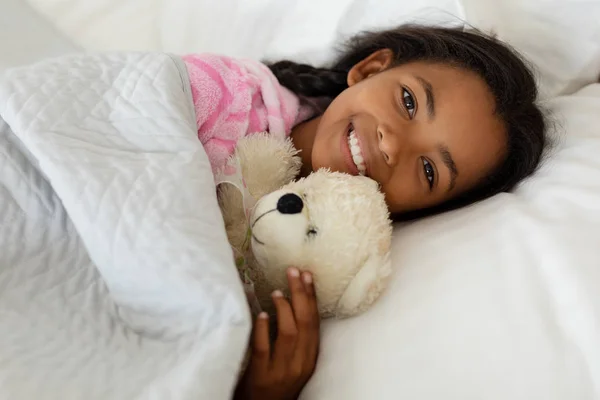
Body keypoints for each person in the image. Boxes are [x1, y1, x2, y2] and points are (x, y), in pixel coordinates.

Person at [182, 24, 547, 400]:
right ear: (370, 69)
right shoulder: (224, 93)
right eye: (409, 101)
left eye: (428, 170)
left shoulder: (320, 267)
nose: (392, 145)